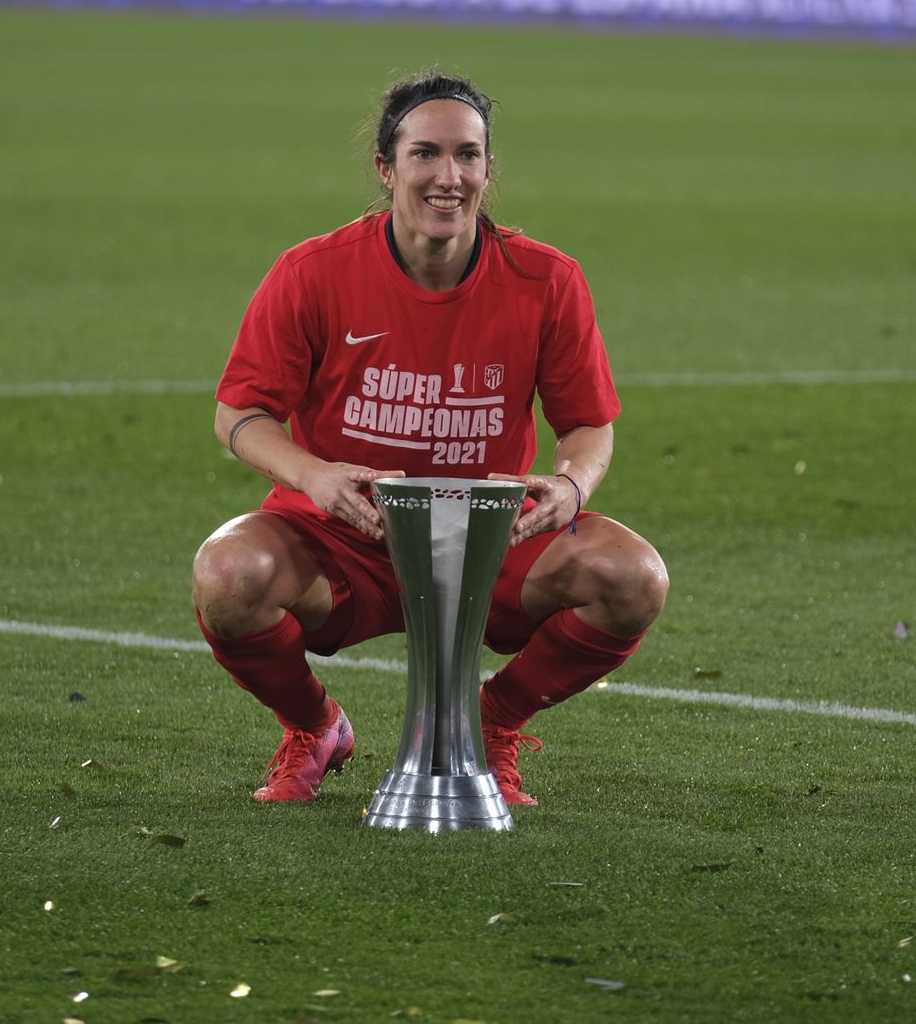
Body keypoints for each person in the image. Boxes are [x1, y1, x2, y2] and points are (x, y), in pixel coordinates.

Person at [191, 70, 669, 808]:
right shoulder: (313, 273)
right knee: (227, 576)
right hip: (346, 535)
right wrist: (314, 477)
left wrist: (569, 486)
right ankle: (313, 726)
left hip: (488, 540)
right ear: (387, 169)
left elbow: (587, 425)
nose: (449, 176)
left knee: (634, 577)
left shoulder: (548, 281)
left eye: (468, 155)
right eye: (426, 154)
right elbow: (239, 415)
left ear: (487, 168)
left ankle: (494, 724)